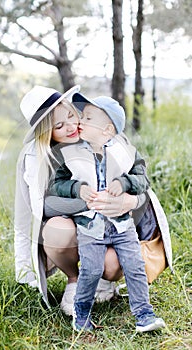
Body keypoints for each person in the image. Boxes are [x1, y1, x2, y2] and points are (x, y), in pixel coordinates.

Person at [14, 85, 143, 316]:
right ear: (47, 133)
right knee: (57, 230)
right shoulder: (39, 156)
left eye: (72, 116)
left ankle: (105, 280)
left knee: (114, 264)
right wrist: (89, 201)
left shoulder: (105, 135)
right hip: (74, 225)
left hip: (110, 227)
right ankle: (74, 280)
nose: (72, 127)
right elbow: (35, 207)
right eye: (59, 126)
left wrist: (129, 202)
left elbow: (142, 185)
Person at [48, 92, 166, 332]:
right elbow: (56, 184)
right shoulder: (69, 153)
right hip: (90, 227)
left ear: (107, 130)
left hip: (122, 226)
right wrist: (77, 188)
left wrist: (124, 184)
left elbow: (143, 179)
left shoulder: (126, 152)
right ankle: (81, 316)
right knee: (90, 270)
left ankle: (144, 315)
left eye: (87, 117)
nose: (80, 121)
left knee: (134, 266)